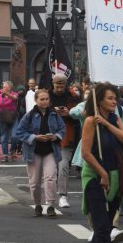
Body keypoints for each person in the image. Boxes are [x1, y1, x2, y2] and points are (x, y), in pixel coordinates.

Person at [79, 83, 123, 243]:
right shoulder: (90, 121)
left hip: (115, 175)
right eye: (109, 98)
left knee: (107, 224)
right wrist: (102, 173)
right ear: (99, 99)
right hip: (94, 175)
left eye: (115, 98)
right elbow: (86, 153)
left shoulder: (115, 118)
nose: (114, 101)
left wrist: (108, 124)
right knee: (101, 224)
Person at [13, 89, 65, 217]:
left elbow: (62, 128)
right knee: (35, 182)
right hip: (33, 151)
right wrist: (35, 137)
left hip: (50, 150)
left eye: (47, 99)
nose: (45, 101)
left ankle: (51, 206)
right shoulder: (29, 115)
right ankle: (37, 205)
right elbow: (19, 132)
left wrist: (56, 136)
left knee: (50, 178)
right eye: (42, 99)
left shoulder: (54, 114)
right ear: (36, 100)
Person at [48, 74, 79, 210]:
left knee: (63, 167)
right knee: (50, 169)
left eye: (62, 86)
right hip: (48, 136)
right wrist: (52, 111)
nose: (59, 88)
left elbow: (79, 117)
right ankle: (50, 195)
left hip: (66, 136)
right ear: (53, 84)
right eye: (57, 85)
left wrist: (69, 114)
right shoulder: (46, 95)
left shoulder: (73, 97)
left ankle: (62, 195)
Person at [0, 81, 20, 162]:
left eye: (5, 86)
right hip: (3, 118)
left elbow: (15, 98)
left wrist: (6, 93)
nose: (3, 88)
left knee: (15, 136)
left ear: (10, 87)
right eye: (3, 86)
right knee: (4, 138)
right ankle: (5, 155)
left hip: (13, 118)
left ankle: (12, 150)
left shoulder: (14, 93)